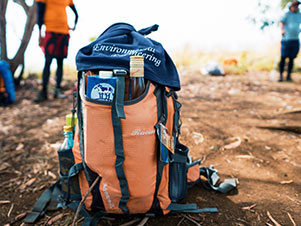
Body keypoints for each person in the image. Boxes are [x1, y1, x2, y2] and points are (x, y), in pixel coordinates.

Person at [35, 0, 78, 102]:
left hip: (64, 32)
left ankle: (57, 90)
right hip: (50, 30)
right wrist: (40, 33)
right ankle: (43, 92)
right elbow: (40, 11)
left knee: (60, 62)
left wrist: (74, 24)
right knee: (48, 61)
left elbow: (75, 12)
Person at [278, 0, 301, 82]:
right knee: (283, 57)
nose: (296, 7)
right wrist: (282, 30)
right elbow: (281, 22)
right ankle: (280, 76)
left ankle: (288, 76)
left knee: (292, 58)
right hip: (286, 39)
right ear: (291, 6)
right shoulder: (287, 14)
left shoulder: (299, 15)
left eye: (297, 6)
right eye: (294, 6)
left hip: (295, 39)